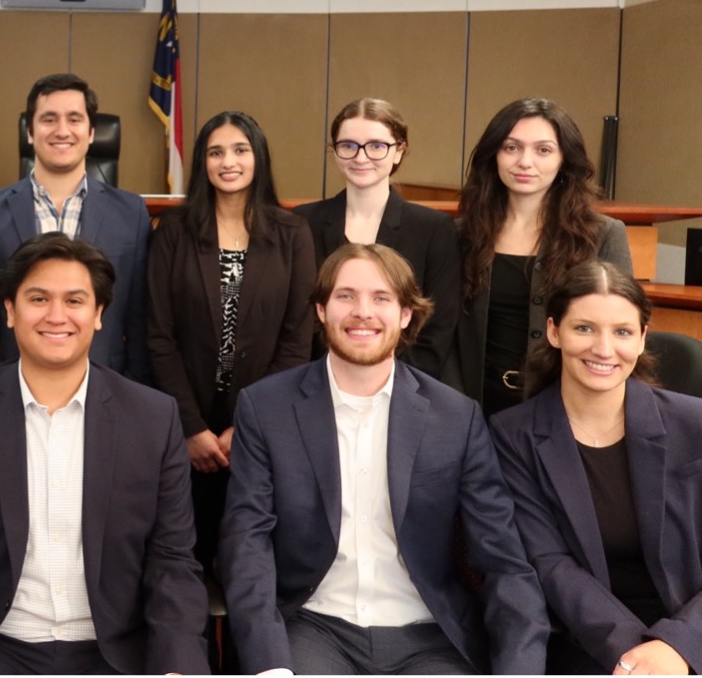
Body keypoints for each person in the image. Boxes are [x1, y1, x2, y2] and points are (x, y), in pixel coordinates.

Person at [220, 243, 548, 675]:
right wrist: (269, 665)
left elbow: (502, 558)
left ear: (406, 315)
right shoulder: (266, 408)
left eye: (381, 298)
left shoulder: (455, 417)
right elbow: (247, 543)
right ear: (321, 309)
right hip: (313, 628)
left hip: (430, 638)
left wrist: (519, 670)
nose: (363, 312)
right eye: (346, 296)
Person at [0, 232, 209, 676]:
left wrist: (178, 668)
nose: (56, 316)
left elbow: (172, 562)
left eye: (75, 301)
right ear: (10, 311)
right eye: (38, 298)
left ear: (99, 314)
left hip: (114, 654)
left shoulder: (153, 418)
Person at [491, 261, 702, 675]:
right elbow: (550, 564)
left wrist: (676, 646)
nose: (603, 348)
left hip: (698, 640)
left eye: (622, 332)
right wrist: (638, 658)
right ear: (553, 331)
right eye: (584, 328)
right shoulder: (513, 436)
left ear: (642, 339)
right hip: (588, 642)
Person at [146, 110, 313, 571]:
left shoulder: (292, 234)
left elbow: (297, 341)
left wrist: (248, 427)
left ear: (258, 157)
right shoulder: (174, 231)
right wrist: (191, 427)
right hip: (187, 428)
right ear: (202, 162)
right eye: (216, 152)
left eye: (240, 150)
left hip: (260, 426)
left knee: (251, 563)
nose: (228, 162)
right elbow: (158, 337)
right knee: (184, 561)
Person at [455, 97, 632, 416]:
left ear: (565, 159)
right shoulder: (459, 234)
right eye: (511, 147)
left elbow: (622, 326)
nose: (525, 161)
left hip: (564, 409)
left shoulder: (604, 234)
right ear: (493, 154)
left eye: (543, 150)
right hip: (471, 407)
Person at [0, 73, 151, 382]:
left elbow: (138, 321)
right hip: (7, 386)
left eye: (75, 119)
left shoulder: (131, 214)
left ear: (92, 132)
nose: (62, 130)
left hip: (104, 386)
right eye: (49, 119)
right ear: (29, 132)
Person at [294, 98, 460, 380]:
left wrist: (383, 386)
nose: (361, 157)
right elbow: (297, 319)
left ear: (399, 151)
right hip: (317, 382)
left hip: (406, 385)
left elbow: (437, 328)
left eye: (376, 146)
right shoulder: (303, 222)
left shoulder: (433, 228)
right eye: (347, 145)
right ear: (334, 152)